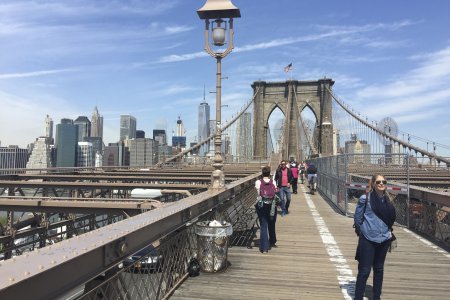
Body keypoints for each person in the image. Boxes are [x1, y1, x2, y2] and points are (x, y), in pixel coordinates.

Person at [354, 174, 396, 300]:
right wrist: (362, 232)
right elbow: (357, 218)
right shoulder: (365, 198)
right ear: (373, 184)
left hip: (384, 239)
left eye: (384, 181)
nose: (381, 184)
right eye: (378, 182)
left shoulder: (389, 200)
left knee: (379, 269)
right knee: (364, 271)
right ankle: (358, 297)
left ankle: (376, 297)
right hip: (368, 239)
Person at [255, 166, 278, 253]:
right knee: (272, 222)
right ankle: (272, 240)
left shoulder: (258, 182)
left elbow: (258, 193)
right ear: (269, 174)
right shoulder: (274, 182)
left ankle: (264, 247)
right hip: (272, 205)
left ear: (262, 173)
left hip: (262, 206)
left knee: (264, 225)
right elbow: (275, 192)